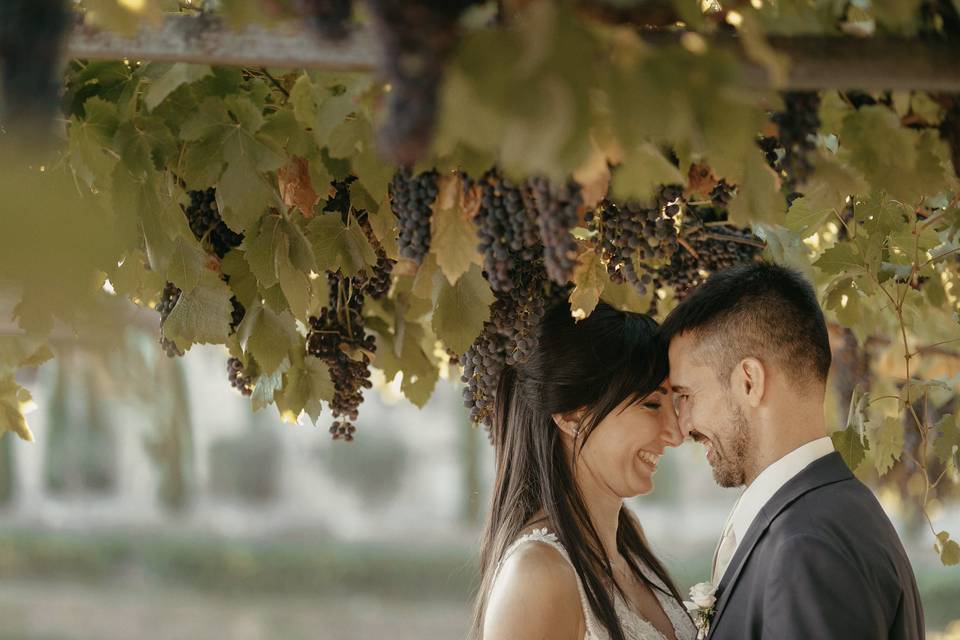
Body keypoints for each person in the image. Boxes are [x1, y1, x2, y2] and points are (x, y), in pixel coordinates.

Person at [660, 261, 924, 640]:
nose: (682, 425)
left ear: (749, 382)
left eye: (686, 396)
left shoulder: (807, 546)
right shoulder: (832, 513)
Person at [471, 301, 696, 640]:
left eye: (675, 405)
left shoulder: (629, 549)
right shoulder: (537, 574)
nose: (676, 434)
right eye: (651, 404)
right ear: (572, 416)